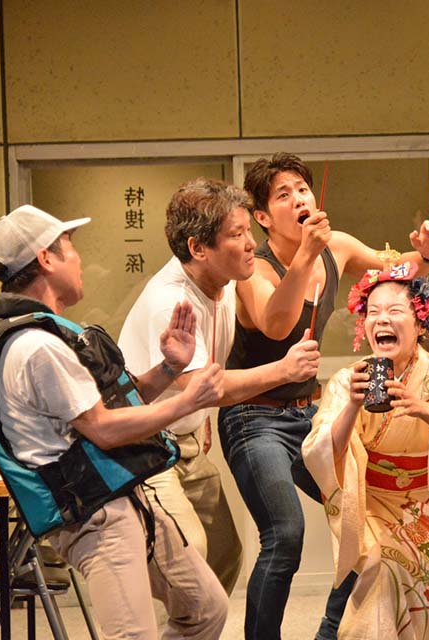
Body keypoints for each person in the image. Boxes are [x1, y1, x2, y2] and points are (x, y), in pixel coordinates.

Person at [218, 153, 429, 639]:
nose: (299, 199)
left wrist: (427, 255)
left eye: (302, 189)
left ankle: (328, 633)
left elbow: (395, 269)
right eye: (283, 195)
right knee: (285, 535)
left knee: (364, 517)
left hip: (308, 412)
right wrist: (305, 254)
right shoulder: (254, 271)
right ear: (262, 217)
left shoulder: (336, 246)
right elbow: (276, 325)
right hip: (252, 417)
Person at [0, 204, 228, 640]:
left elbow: (111, 411)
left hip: (125, 498)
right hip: (97, 519)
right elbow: (104, 429)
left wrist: (168, 369)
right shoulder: (36, 347)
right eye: (69, 246)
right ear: (46, 258)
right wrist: (187, 401)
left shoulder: (46, 334)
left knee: (205, 609)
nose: (79, 259)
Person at [118, 177, 321, 595]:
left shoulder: (224, 281)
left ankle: (195, 621)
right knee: (189, 561)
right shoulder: (170, 301)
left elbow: (209, 372)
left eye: (249, 230)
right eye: (236, 234)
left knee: (224, 556)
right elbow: (204, 385)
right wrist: (285, 370)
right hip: (143, 448)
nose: (251, 244)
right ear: (198, 248)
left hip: (187, 441)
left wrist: (202, 417)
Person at [302, 262, 429, 638]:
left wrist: (423, 408)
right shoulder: (347, 381)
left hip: (424, 504)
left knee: (427, 599)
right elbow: (318, 449)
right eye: (373, 312)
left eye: (395, 310)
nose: (382, 319)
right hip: (369, 502)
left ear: (419, 323)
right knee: (380, 570)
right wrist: (352, 406)